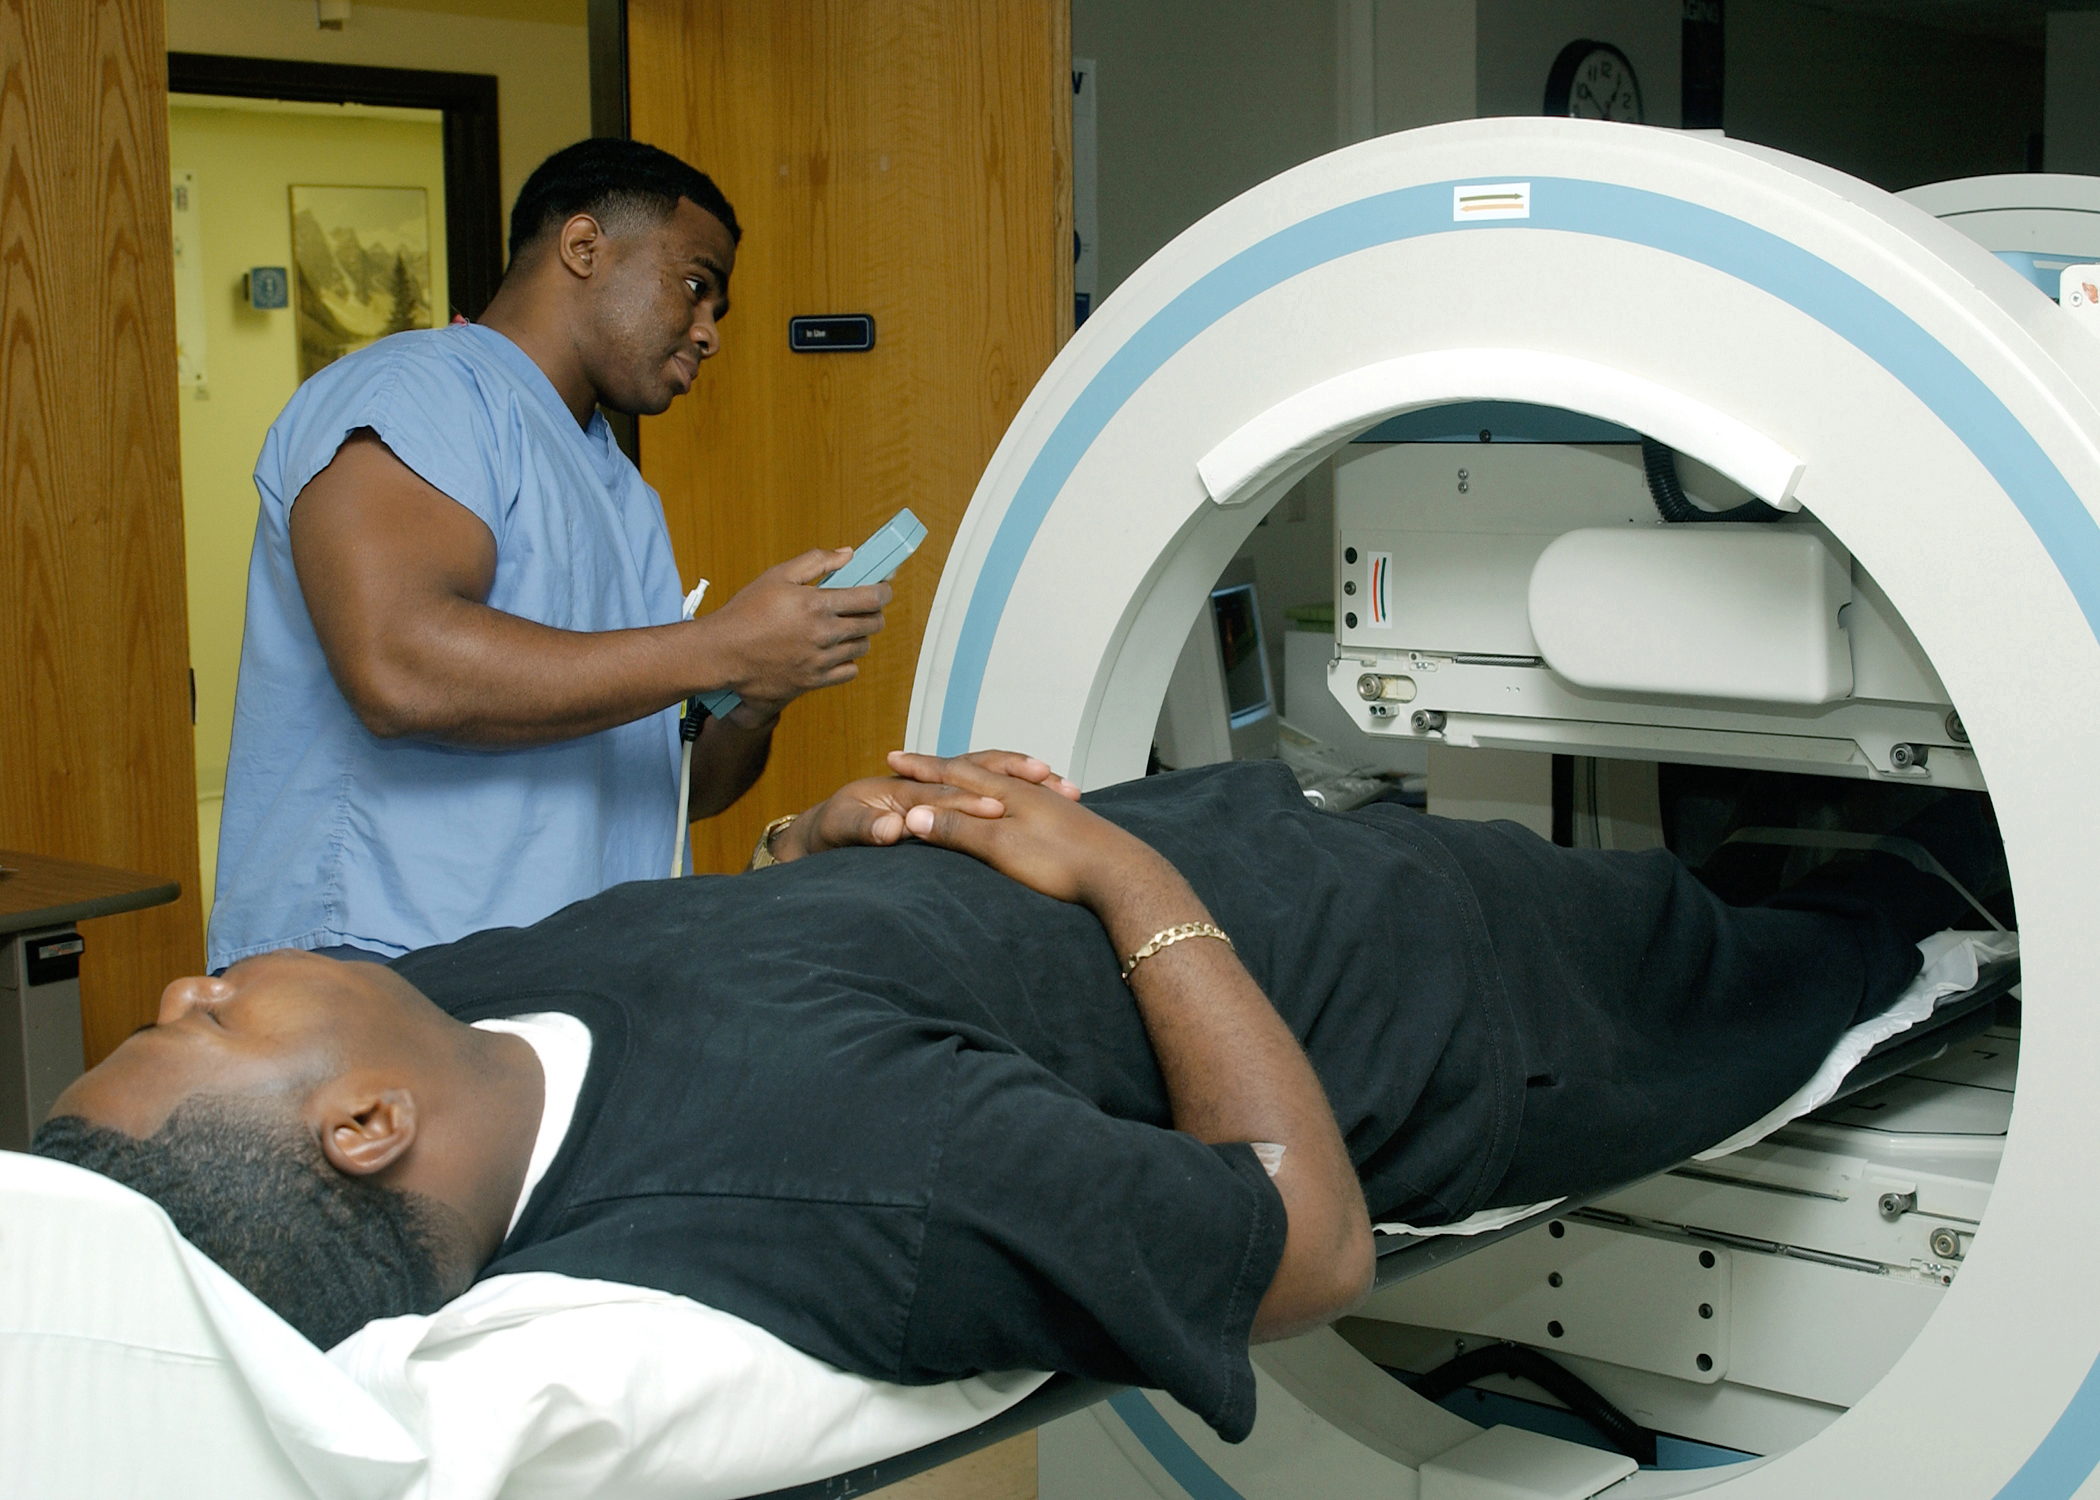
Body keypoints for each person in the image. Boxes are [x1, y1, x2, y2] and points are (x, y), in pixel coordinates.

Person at [43, 752, 1946, 1443]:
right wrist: (1118, 873)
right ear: (359, 1135)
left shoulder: (434, 1027)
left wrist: (816, 837)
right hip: (1431, 996)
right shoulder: (851, 1188)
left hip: (1247, 858)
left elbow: (703, 965)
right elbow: (1306, 1242)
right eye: (195, 1028)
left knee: (1747, 882)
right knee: (1830, 954)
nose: (189, 979)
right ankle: (1959, 909)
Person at [209, 138, 893, 972]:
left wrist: (756, 691)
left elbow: (685, 787)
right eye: (695, 286)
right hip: (389, 964)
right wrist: (721, 644)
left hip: (568, 969)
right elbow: (398, 667)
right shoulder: (416, 391)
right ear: (583, 247)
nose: (709, 333)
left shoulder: (620, 490)